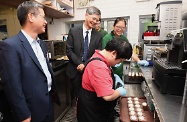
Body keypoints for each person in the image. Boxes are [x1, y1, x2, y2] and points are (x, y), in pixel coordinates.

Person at [0, 1, 60, 122]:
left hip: (48, 102)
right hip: (31, 109)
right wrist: (23, 114)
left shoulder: (42, 44)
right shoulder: (10, 46)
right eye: (43, 17)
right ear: (31, 17)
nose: (45, 21)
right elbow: (12, 86)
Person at [77, 38, 132, 122]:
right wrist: (119, 91)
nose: (119, 63)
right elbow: (108, 96)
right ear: (113, 53)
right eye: (120, 60)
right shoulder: (99, 67)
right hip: (93, 111)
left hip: (92, 105)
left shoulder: (99, 55)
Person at [66, 6, 102, 100]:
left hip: (89, 71)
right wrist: (80, 64)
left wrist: (84, 65)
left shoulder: (98, 35)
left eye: (97, 20)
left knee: (87, 99)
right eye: (93, 18)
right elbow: (69, 50)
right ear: (86, 15)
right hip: (74, 70)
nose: (95, 22)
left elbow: (97, 54)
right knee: (76, 99)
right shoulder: (73, 31)